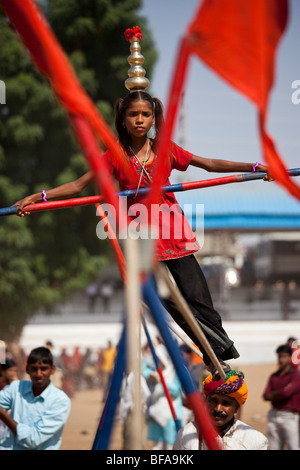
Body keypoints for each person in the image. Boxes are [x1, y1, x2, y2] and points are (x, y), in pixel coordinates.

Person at [13, 27, 273, 376]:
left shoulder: (166, 151)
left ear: (153, 119)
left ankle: (219, 349)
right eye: (133, 115)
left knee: (200, 301)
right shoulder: (114, 156)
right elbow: (78, 185)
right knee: (169, 303)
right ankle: (211, 356)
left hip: (175, 234)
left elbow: (208, 164)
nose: (140, 120)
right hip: (141, 238)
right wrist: (38, 198)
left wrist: (255, 167)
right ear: (123, 118)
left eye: (145, 115)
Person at [173, 369, 269, 450]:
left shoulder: (255, 440)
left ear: (236, 408)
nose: (218, 409)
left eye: (226, 403)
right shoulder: (186, 434)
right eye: (213, 401)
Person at [0, 346, 71, 450]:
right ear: (27, 369)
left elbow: (33, 440)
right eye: (34, 369)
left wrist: (2, 415)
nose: (39, 374)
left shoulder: (60, 401)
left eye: (43, 369)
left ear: (52, 370)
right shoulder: (16, 387)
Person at [142, 340, 183, 450]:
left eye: (159, 358)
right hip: (156, 412)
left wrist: (162, 381)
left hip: (171, 414)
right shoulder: (156, 370)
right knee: (157, 445)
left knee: (171, 444)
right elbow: (143, 371)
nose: (157, 361)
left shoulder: (174, 372)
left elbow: (175, 391)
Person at [263, 344, 300, 450]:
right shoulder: (273, 376)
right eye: (279, 356)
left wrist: (274, 394)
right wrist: (281, 391)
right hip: (274, 415)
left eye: (284, 356)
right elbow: (265, 396)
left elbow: (286, 393)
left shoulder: (296, 376)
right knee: (274, 447)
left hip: (289, 416)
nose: (281, 359)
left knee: (293, 447)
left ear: (289, 357)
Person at [0, 359, 18, 447]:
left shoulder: (15, 384)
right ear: (3, 371)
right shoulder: (2, 384)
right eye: (10, 370)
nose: (13, 373)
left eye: (15, 370)